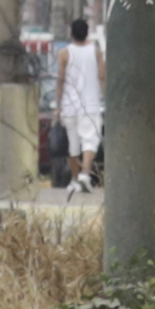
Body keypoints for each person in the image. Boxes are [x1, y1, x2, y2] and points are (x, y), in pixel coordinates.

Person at [45, 17, 96, 191]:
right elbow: (103, 76)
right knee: (90, 141)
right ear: (87, 33)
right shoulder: (95, 52)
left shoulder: (64, 53)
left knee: (73, 144)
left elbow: (60, 80)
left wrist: (58, 105)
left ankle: (75, 180)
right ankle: (84, 174)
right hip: (90, 104)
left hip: (69, 105)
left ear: (71, 34)